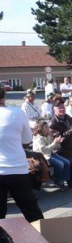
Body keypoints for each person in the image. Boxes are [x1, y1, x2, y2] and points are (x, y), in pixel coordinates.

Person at [0, 85, 44, 222]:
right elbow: (27, 139)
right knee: (31, 210)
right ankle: (44, 239)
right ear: (4, 96)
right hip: (17, 168)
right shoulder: (17, 112)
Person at [33, 120, 70, 190]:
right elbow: (43, 150)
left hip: (50, 154)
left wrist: (58, 143)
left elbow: (53, 148)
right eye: (46, 126)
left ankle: (61, 180)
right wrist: (54, 143)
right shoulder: (38, 138)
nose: (48, 128)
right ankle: (56, 179)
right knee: (60, 164)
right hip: (42, 156)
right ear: (41, 128)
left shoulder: (47, 136)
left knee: (67, 162)